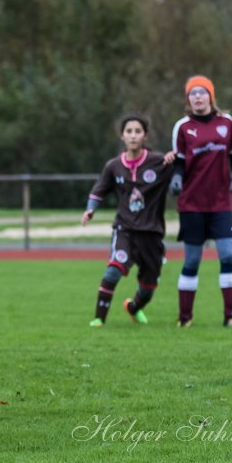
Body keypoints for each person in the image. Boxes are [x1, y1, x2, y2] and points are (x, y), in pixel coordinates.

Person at [169, 76, 232, 328]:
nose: (198, 97)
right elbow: (180, 160)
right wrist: (177, 179)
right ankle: (185, 318)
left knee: (228, 256)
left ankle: (231, 316)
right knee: (192, 260)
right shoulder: (182, 126)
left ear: (211, 96)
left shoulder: (227, 123)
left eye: (202, 93)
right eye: (193, 93)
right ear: (188, 99)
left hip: (221, 203)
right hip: (191, 203)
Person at [82, 114, 174, 326]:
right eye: (129, 131)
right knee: (113, 270)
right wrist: (90, 210)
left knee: (148, 287)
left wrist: (174, 157)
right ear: (122, 136)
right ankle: (99, 319)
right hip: (125, 230)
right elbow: (98, 191)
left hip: (152, 233)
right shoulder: (113, 166)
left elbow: (185, 164)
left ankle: (133, 307)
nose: (133, 136)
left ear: (145, 136)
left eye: (138, 131)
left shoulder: (159, 162)